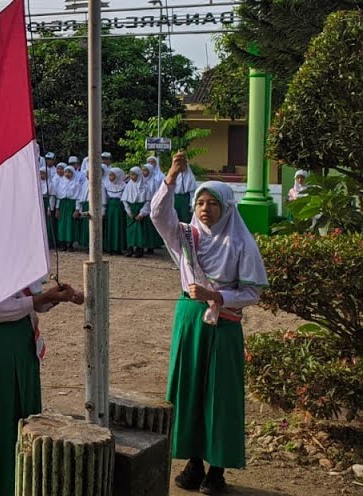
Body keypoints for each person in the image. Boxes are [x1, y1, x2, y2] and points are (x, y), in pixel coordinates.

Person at [152, 152, 268, 494]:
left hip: (223, 326)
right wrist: (171, 177)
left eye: (212, 203)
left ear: (226, 207)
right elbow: (159, 215)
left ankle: (217, 470)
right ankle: (193, 463)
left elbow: (252, 293)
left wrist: (217, 297)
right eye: (200, 202)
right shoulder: (185, 237)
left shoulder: (240, 243)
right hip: (189, 320)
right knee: (187, 390)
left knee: (219, 395)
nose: (205, 208)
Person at [0, 280, 84, 496]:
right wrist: (42, 298)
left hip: (21, 342)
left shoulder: (24, 250)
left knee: (25, 425)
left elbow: (31, 299)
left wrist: (58, 296)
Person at [122, 167, 151, 258]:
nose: (132, 177)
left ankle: (139, 249)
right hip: (131, 210)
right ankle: (130, 248)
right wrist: (128, 211)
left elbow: (148, 201)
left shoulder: (145, 187)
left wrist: (142, 213)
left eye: (134, 175)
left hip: (140, 209)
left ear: (139, 175)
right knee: (130, 230)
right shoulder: (128, 186)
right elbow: (124, 200)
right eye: (130, 175)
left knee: (139, 231)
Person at [102, 167, 128, 255]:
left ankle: (118, 248)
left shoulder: (124, 185)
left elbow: (124, 198)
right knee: (110, 227)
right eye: (109, 175)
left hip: (119, 208)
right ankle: (110, 247)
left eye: (112, 175)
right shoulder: (107, 185)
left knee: (118, 227)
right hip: (110, 208)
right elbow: (105, 198)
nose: (110, 177)